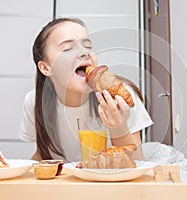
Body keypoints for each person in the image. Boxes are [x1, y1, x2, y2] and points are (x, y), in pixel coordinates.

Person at [18, 18, 153, 162]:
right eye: (68, 48)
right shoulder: (34, 101)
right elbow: (42, 155)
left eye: (87, 46)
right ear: (46, 68)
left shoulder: (121, 98)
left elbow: (137, 164)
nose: (84, 53)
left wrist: (119, 127)